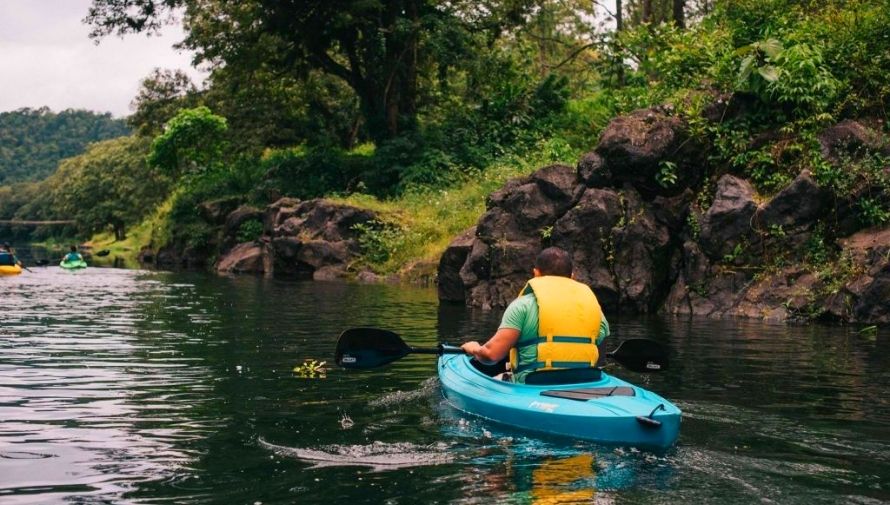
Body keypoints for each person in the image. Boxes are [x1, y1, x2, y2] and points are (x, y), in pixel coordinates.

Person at [460, 246, 609, 383]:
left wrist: (474, 348)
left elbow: (491, 356)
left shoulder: (522, 306)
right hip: (586, 381)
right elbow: (599, 356)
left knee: (495, 378)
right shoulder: (594, 308)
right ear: (572, 276)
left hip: (535, 383)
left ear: (536, 273)